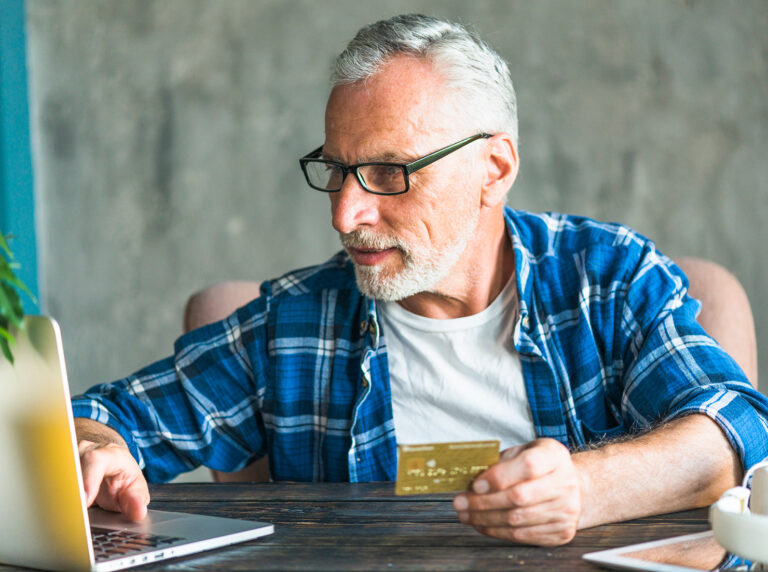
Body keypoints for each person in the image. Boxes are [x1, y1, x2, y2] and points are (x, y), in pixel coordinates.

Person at [72, 14, 768, 547]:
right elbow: (103, 418)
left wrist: (586, 487)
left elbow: (739, 431)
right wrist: (96, 451)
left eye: (388, 173)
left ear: (494, 169)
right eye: (338, 171)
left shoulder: (605, 280)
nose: (347, 213)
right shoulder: (294, 325)